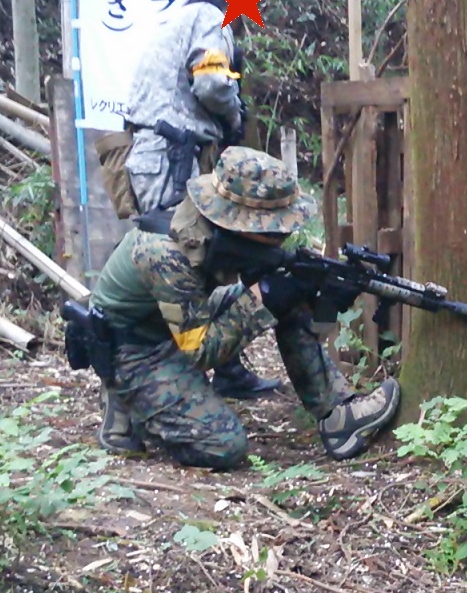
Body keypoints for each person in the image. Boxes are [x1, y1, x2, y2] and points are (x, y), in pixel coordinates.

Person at [88, 145, 401, 471]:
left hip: (174, 321)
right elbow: (200, 351)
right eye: (273, 228)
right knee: (224, 445)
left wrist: (325, 304)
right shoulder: (166, 252)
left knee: (289, 288)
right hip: (134, 347)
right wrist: (263, 298)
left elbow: (305, 321)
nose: (282, 236)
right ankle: (127, 404)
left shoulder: (218, 234)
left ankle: (337, 416)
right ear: (241, 225)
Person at [92, 0, 281, 449]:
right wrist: (234, 115)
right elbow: (212, 83)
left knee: (196, 259)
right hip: (171, 155)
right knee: (184, 258)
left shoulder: (181, 19)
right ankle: (135, 387)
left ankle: (224, 370)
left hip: (161, 152)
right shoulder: (209, 20)